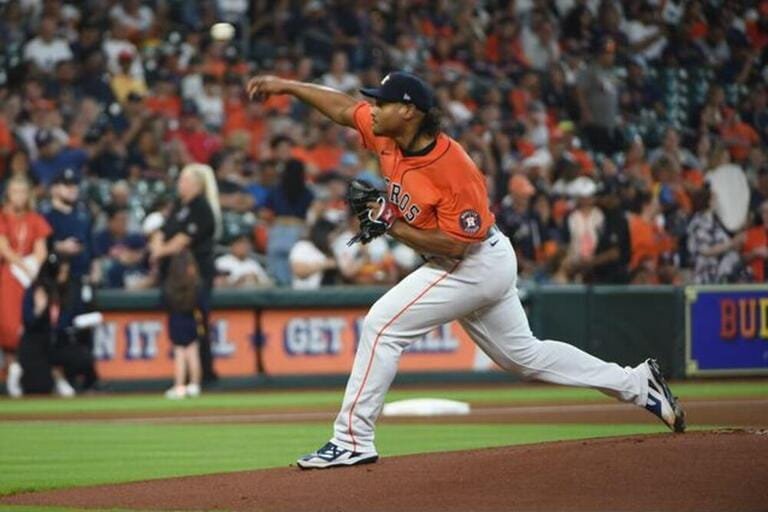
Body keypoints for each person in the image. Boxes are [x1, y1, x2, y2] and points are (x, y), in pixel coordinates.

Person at [247, 70, 686, 470]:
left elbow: (458, 244)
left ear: (409, 111)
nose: (372, 109)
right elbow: (343, 107)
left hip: (474, 262)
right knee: (525, 357)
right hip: (470, 261)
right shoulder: (387, 134)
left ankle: (352, 439)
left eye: (382, 102)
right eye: (374, 102)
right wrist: (286, 85)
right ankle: (637, 383)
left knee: (382, 325)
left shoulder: (454, 168)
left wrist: (391, 224)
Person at [149, 163, 220, 398]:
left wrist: (159, 251)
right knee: (181, 329)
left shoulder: (201, 208)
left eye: (184, 180)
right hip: (175, 280)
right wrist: (158, 246)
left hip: (195, 278)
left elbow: (182, 240)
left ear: (197, 184)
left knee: (195, 328)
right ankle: (189, 380)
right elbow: (162, 231)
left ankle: (201, 379)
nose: (180, 184)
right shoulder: (180, 206)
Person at [0, 177, 51, 397]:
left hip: (29, 277)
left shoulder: (35, 219)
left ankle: (22, 371)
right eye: (15, 191)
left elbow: (42, 250)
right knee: (9, 326)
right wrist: (22, 266)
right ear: (8, 194)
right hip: (8, 276)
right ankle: (11, 369)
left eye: (22, 191)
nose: (19, 196)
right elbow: (3, 247)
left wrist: (32, 268)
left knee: (28, 325)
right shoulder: (2, 216)